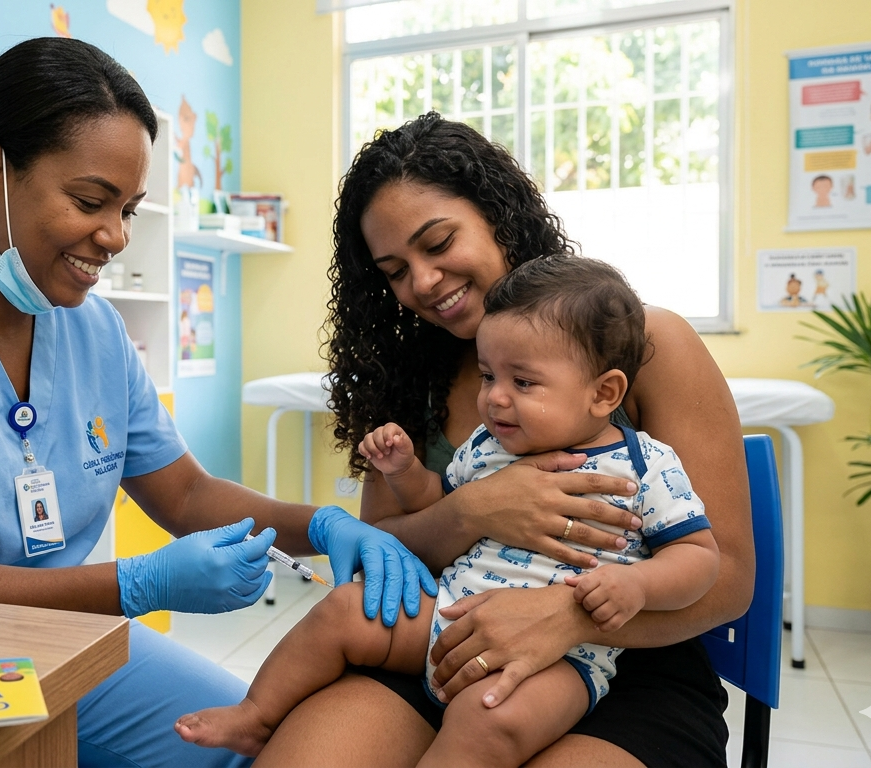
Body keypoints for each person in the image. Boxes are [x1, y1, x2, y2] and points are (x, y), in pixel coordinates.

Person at [0, 38, 434, 768]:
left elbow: (185, 494)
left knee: (255, 747)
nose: (114, 237)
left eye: (129, 209)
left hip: (47, 637)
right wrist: (141, 583)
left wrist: (325, 525)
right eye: (89, 202)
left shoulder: (93, 330)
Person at [257, 113, 750, 768]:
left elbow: (728, 578)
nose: (423, 281)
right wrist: (473, 511)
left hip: (628, 661)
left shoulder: (644, 343)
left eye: (439, 242)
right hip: (449, 637)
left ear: (499, 217)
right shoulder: (408, 375)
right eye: (395, 271)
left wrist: (567, 617)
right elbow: (382, 552)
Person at [176, 257, 719, 764]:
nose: (496, 397)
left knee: (489, 717)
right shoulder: (488, 445)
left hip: (565, 656)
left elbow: (700, 555)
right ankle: (257, 714)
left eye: (522, 382)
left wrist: (637, 585)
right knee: (343, 608)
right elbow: (440, 504)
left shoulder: (646, 465)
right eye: (488, 376)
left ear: (603, 394)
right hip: (450, 615)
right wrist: (405, 472)